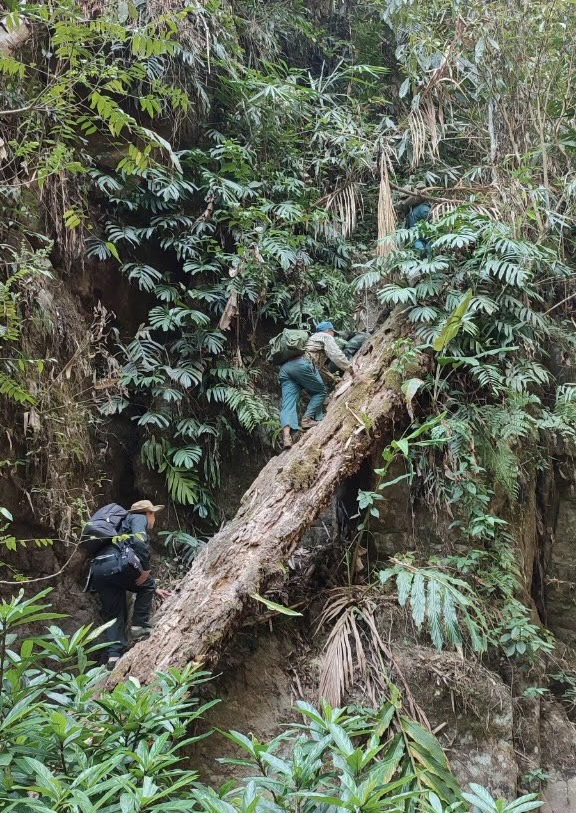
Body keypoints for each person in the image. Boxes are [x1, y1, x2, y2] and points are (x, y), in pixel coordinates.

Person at [89, 499, 170, 669]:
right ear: (148, 513)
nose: (154, 519)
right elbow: (139, 542)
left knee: (115, 613)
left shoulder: (117, 527)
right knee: (146, 585)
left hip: (98, 569)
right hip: (115, 564)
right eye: (153, 515)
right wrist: (146, 571)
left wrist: (153, 588)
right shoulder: (138, 518)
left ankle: (113, 657)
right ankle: (138, 627)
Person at [279, 320, 351, 450]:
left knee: (288, 404)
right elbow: (336, 354)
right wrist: (351, 370)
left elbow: (319, 368)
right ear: (329, 331)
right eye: (333, 333)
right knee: (320, 391)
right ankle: (307, 420)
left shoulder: (309, 342)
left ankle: (286, 436)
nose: (333, 335)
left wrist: (334, 379)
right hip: (302, 365)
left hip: (286, 369)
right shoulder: (325, 336)